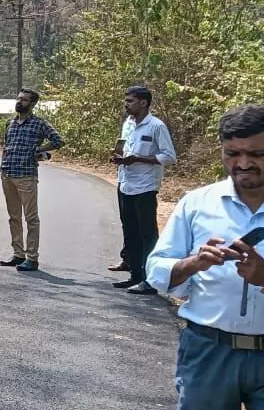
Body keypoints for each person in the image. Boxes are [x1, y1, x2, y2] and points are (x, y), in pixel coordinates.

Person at [145, 104, 264, 409]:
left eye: (257, 154)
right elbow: (157, 269)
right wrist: (193, 263)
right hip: (208, 351)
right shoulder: (197, 204)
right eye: (232, 153)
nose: (244, 163)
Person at [111, 86, 177, 295]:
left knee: (147, 233)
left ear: (144, 103)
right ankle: (135, 276)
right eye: (126, 100)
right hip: (125, 182)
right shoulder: (128, 124)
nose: (126, 104)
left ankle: (150, 280)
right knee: (129, 230)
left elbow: (169, 157)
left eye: (130, 101)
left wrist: (138, 159)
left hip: (146, 186)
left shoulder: (156, 126)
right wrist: (120, 157)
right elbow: (125, 147)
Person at [0, 88, 64, 272]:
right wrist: (3, 167)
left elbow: (58, 141)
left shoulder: (39, 124)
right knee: (14, 217)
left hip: (26, 175)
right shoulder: (11, 124)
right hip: (8, 173)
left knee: (31, 217)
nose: (20, 102)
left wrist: (39, 150)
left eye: (24, 100)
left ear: (32, 104)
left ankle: (32, 258)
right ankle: (18, 254)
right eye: (18, 98)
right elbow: (6, 146)